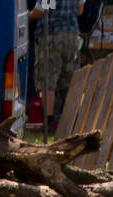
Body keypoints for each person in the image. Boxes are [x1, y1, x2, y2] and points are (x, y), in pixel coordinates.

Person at [31, 0, 84, 129]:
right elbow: (80, 10)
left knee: (48, 79)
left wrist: (27, 16)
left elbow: (41, 10)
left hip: (51, 34)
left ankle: (48, 120)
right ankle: (70, 119)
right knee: (69, 80)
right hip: (72, 35)